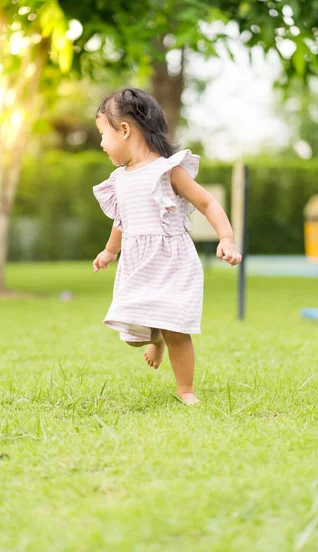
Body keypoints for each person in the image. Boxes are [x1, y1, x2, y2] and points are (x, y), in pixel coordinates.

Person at [92, 87, 242, 405]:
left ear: (124, 130)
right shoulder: (118, 180)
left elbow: (207, 203)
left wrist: (226, 238)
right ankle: (154, 337)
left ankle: (185, 389)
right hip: (137, 263)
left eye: (102, 135)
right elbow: (122, 220)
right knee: (135, 338)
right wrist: (110, 250)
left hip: (172, 262)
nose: (102, 145)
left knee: (177, 329)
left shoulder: (167, 170)